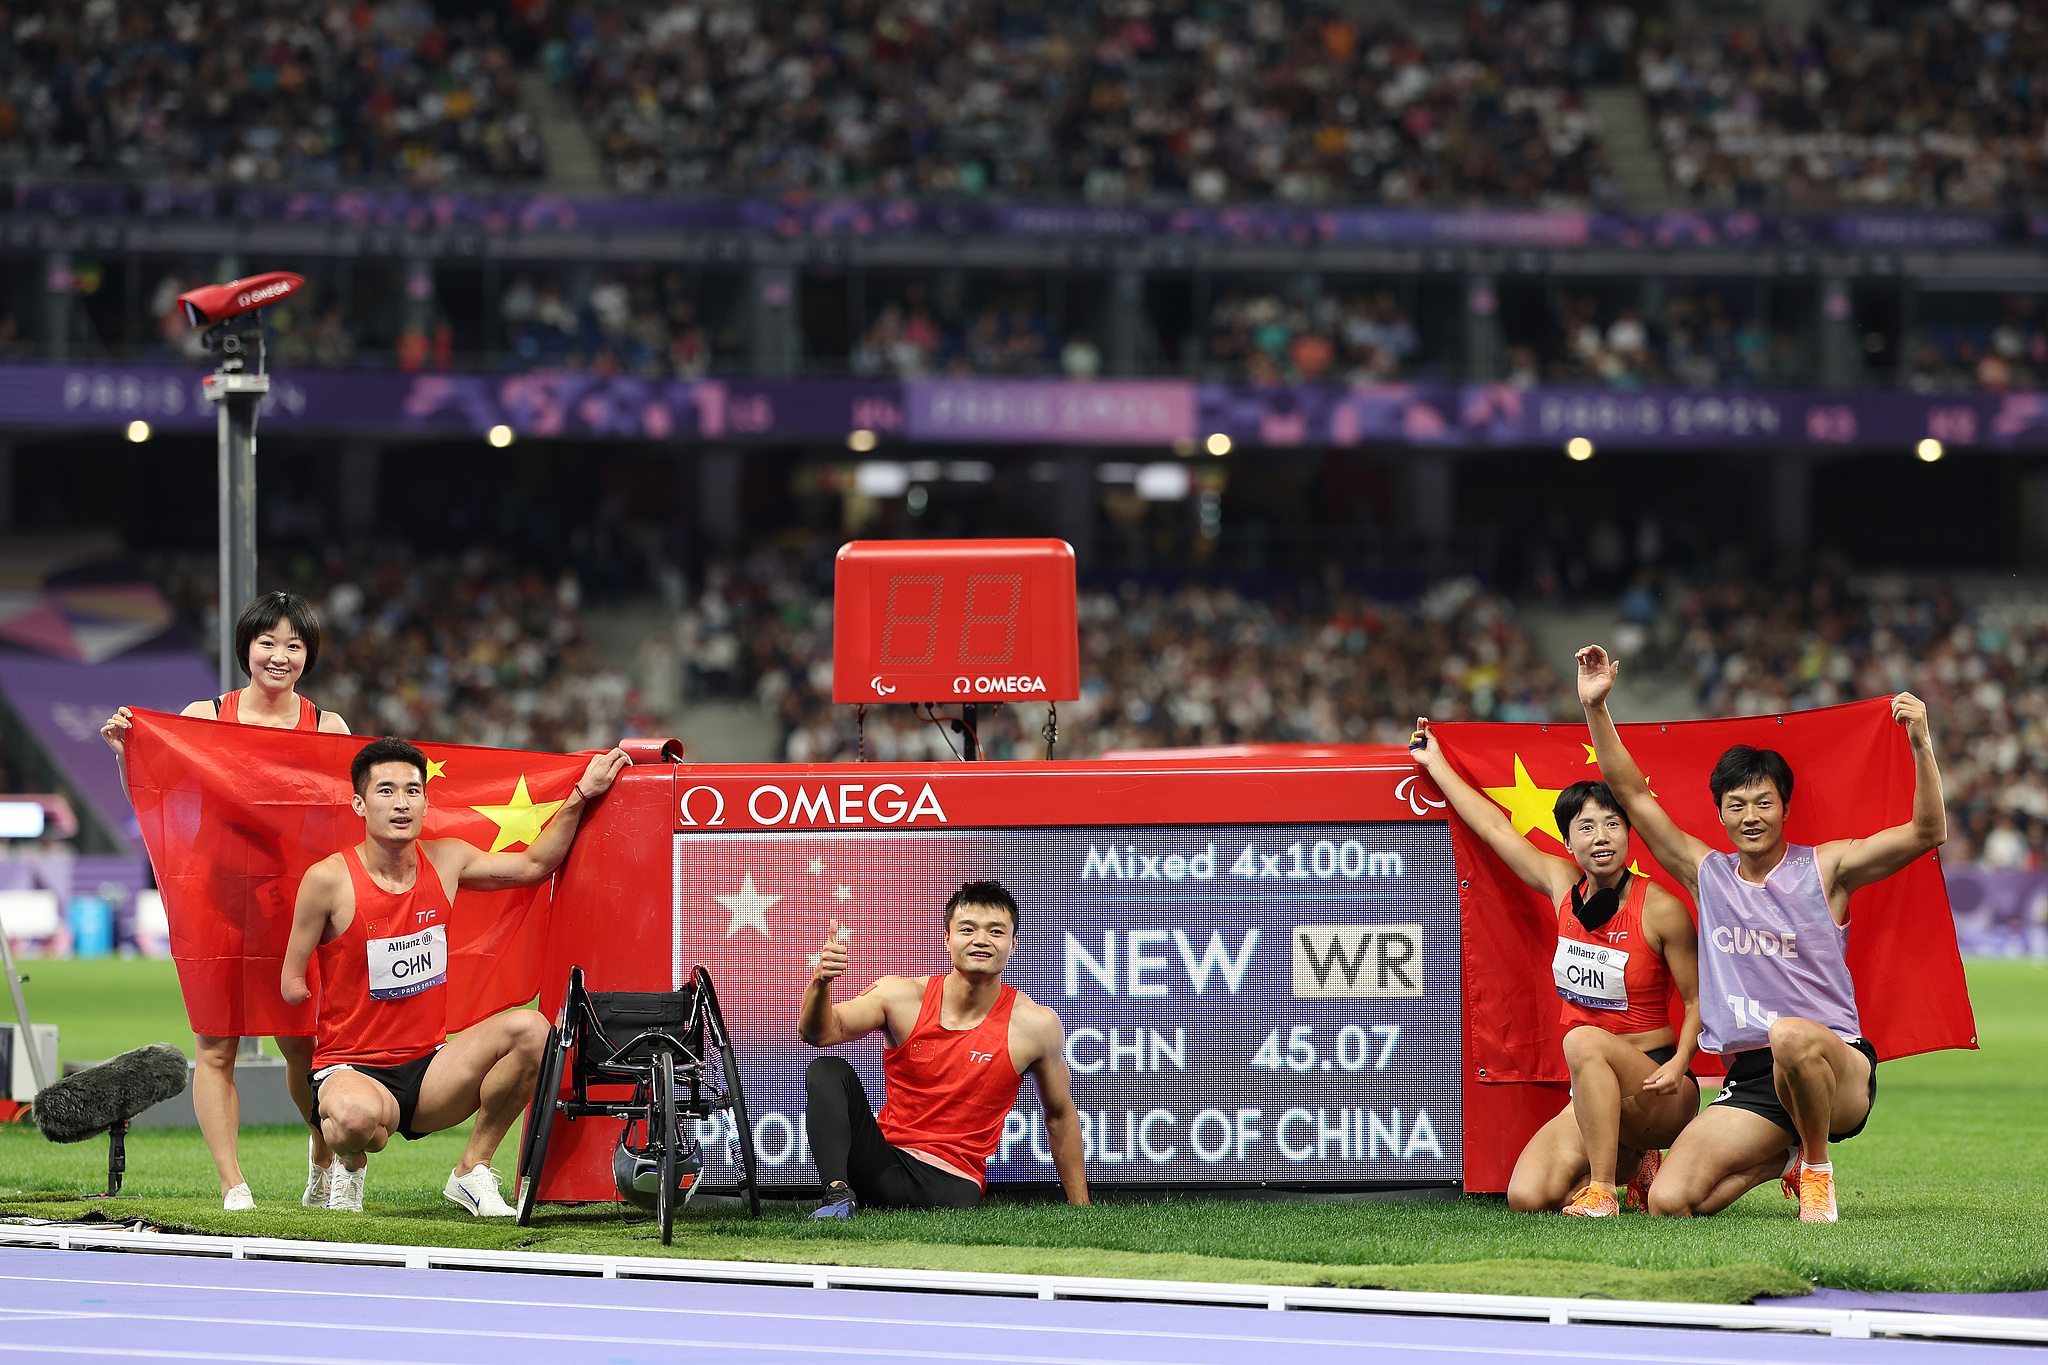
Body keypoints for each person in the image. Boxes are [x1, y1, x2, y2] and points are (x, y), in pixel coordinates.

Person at [1578, 645, 1945, 1222]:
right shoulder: (1708, 876)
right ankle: (1786, 1157)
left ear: (1784, 807)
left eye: (1763, 802)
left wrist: (1921, 743)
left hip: (1832, 1068)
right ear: (1720, 814)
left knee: (1790, 1036)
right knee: (1669, 1203)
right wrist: (1597, 708)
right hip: (1751, 1078)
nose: (1751, 815)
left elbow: (1928, 832)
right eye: (1736, 804)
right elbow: (1633, 796)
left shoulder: (1829, 869)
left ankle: (1818, 1169)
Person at [280, 736, 629, 1215]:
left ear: (427, 800)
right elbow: (288, 985)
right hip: (353, 1067)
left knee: (533, 1030)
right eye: (385, 791)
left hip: (430, 1069)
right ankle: (346, 1164)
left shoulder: (447, 859)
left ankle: (472, 1170)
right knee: (359, 1122)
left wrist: (582, 794)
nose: (400, 803)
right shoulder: (327, 879)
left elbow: (533, 864)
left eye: (412, 791)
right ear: (359, 803)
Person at [100, 591, 355, 1212]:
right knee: (216, 1046)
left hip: (296, 910)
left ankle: (323, 1160)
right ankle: (232, 1184)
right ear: (246, 649)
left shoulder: (328, 728)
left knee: (305, 1046)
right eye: (268, 642)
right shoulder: (205, 715)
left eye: (294, 645)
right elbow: (163, 787)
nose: (280, 655)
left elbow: (350, 817)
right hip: (216, 903)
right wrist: (126, 751)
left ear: (308, 657)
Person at [1410, 718, 1700, 1218]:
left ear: (1630, 834)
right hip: (1592, 1088)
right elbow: (1494, 827)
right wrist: (1435, 762)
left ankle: (1603, 1190)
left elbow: (1699, 1001)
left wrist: (1679, 1065)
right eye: (1585, 827)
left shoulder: (1662, 909)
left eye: (1612, 823)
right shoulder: (1562, 886)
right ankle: (1633, 1161)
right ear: (1568, 843)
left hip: (1658, 1087)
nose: (1601, 836)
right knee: (1527, 1197)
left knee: (1580, 1039)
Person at [798, 880, 1088, 1216]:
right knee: (827, 1069)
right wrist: (820, 982)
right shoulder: (901, 997)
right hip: (883, 1168)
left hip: (952, 1185)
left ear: (1013, 943)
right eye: (968, 929)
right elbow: (818, 1033)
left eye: (996, 931)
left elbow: (1060, 1114)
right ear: (947, 938)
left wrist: (1081, 1209)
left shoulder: (1036, 1025)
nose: (981, 940)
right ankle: (838, 1197)